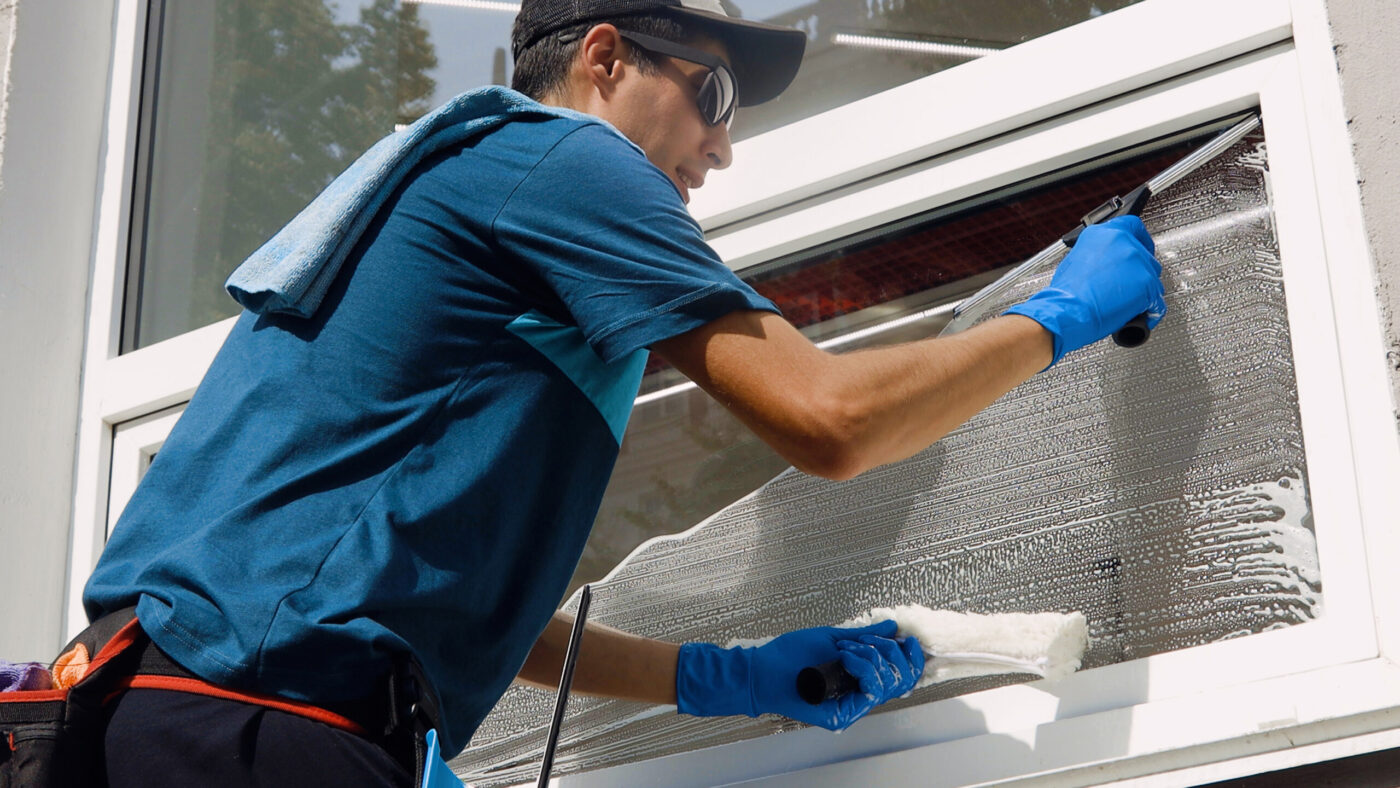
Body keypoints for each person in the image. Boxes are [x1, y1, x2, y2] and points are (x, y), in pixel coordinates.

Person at [80, 0, 1166, 784]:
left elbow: (467, 611)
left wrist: (725, 679)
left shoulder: (474, 213)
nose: (723, 146)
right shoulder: (560, 162)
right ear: (602, 57)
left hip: (155, 718)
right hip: (243, 730)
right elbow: (833, 421)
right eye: (713, 92)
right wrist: (1058, 313)